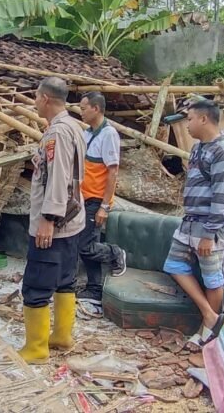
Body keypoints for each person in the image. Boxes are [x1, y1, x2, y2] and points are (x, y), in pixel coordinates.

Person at [162, 98, 224, 349]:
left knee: (212, 277)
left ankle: (207, 330)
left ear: (204, 119)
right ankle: (210, 315)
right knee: (174, 265)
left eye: (191, 119)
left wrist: (210, 232)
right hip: (190, 220)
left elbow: (223, 194)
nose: (187, 125)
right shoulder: (198, 148)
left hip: (208, 224)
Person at [19, 77, 86, 364]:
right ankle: (61, 336)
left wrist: (48, 218)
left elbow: (58, 177)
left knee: (36, 285)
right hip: (73, 222)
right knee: (64, 280)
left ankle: (35, 349)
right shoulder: (74, 126)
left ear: (45, 98)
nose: (34, 102)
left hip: (55, 225)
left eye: (36, 97)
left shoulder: (58, 133)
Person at [76, 91, 127, 317]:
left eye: (84, 107)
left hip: (96, 199)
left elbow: (113, 172)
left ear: (96, 109)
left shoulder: (109, 135)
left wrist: (105, 206)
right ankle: (94, 289)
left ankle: (115, 253)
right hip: (83, 197)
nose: (81, 111)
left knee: (84, 246)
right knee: (88, 243)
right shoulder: (87, 134)